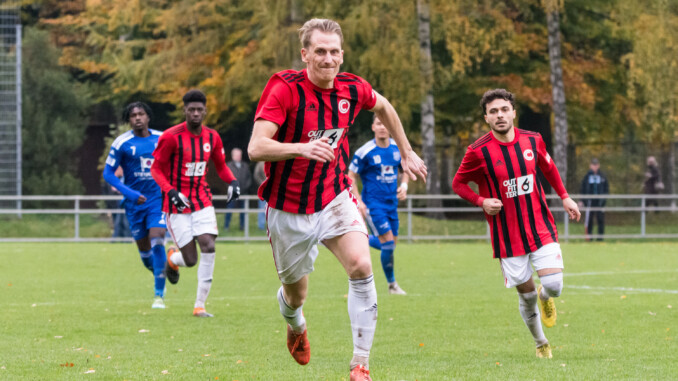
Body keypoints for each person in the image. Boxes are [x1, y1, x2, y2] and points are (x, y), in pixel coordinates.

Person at [247, 18, 427, 381]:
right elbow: (255, 147)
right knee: (296, 295)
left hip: (334, 196)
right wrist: (301, 148)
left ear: (342, 55)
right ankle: (295, 324)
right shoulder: (284, 89)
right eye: (320, 52)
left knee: (361, 265)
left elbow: (384, 106)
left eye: (334, 52)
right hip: (289, 208)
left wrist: (406, 151)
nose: (328, 59)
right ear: (305, 54)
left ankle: (360, 364)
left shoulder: (351, 89)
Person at [452, 89, 581, 359]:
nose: (499, 115)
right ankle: (540, 342)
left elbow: (548, 167)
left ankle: (547, 298)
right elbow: (458, 183)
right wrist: (481, 201)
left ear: (513, 112)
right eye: (493, 112)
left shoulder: (533, 141)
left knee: (554, 286)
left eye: (504, 109)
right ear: (486, 118)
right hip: (507, 237)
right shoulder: (477, 151)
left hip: (540, 226)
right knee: (526, 296)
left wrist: (565, 197)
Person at [150, 90, 240, 318]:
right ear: (185, 111)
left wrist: (233, 181)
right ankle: (173, 258)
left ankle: (200, 305)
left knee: (209, 245)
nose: (196, 113)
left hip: (202, 200)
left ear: (205, 111)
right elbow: (156, 169)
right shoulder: (171, 137)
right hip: (177, 205)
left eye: (200, 109)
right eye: (192, 110)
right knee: (190, 259)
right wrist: (170, 192)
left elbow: (220, 165)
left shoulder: (212, 137)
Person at [102, 102, 168, 309]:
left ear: (148, 117)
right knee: (146, 255)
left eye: (141, 114)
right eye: (133, 115)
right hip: (134, 204)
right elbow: (108, 173)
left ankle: (159, 296)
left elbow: (176, 163)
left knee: (157, 239)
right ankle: (168, 267)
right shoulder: (122, 143)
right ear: (129, 119)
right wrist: (130, 193)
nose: (137, 118)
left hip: (157, 200)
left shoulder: (162, 138)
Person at [348, 115, 409, 295]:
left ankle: (356, 239)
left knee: (390, 245)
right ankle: (392, 285)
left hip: (392, 204)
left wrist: (404, 185)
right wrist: (358, 200)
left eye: (385, 124)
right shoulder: (365, 151)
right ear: (373, 127)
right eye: (379, 124)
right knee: (388, 244)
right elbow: (351, 176)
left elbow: (405, 168)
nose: (382, 127)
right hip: (373, 204)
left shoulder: (397, 148)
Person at [579, 158, 609, 241]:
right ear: (590, 165)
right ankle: (589, 238)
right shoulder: (587, 177)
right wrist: (582, 200)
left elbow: (606, 189)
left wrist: (604, 199)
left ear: (598, 165)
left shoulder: (602, 176)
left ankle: (600, 238)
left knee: (600, 220)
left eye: (596, 165)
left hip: (599, 202)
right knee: (589, 220)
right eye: (593, 165)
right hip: (589, 201)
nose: (595, 166)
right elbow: (583, 189)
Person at [223, 148, 252, 230]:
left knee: (243, 211)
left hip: (243, 192)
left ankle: (242, 227)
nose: (239, 156)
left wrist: (244, 188)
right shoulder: (228, 165)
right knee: (229, 210)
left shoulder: (245, 165)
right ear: (233, 156)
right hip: (232, 192)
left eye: (240, 155)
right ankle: (226, 227)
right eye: (237, 155)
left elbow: (249, 178)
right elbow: (225, 179)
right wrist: (232, 188)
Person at [253, 161, 267, 230]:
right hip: (263, 190)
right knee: (262, 208)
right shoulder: (260, 164)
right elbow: (256, 175)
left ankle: (270, 226)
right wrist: (262, 183)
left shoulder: (273, 161)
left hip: (273, 190)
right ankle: (261, 226)